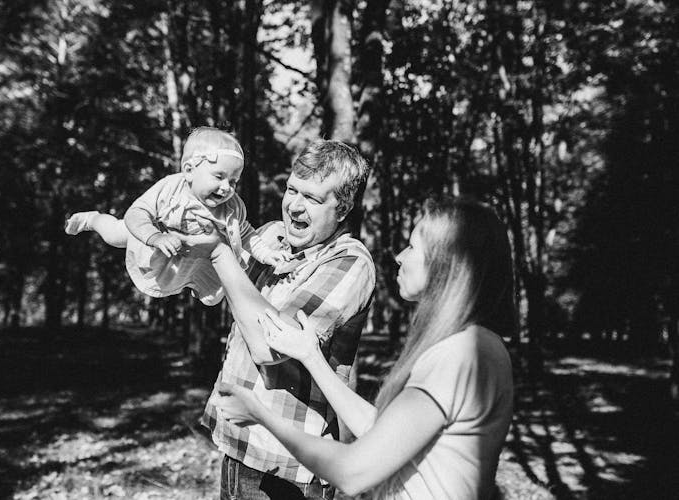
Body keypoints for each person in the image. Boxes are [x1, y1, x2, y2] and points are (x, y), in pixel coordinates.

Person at [217, 199, 516, 500]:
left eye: (412, 248)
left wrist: (260, 415)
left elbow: (352, 472)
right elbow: (381, 431)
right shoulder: (470, 346)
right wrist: (311, 355)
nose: (399, 257)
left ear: (446, 265)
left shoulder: (463, 354)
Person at [177, 140, 375, 500]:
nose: (294, 207)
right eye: (291, 189)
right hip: (240, 441)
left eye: (313, 199)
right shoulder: (269, 236)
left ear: (343, 208)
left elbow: (269, 349)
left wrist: (222, 252)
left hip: (289, 462)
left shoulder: (349, 263)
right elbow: (214, 289)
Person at [64, 127, 288, 305]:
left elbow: (246, 232)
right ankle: (93, 219)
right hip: (150, 235)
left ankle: (191, 284)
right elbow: (137, 213)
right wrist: (154, 237)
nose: (226, 187)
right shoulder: (170, 188)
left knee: (206, 287)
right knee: (114, 234)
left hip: (189, 256)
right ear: (189, 170)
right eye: (218, 176)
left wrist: (267, 254)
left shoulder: (231, 206)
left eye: (233, 181)